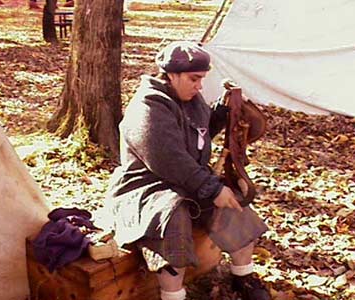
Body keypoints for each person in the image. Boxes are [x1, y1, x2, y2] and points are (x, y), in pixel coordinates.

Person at [106, 41, 271, 300]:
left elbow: (199, 135)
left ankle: (243, 275)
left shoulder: (189, 99)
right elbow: (170, 159)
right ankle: (173, 295)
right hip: (146, 186)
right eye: (194, 79)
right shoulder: (148, 107)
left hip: (185, 178)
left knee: (232, 203)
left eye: (202, 79)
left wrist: (223, 110)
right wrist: (211, 188)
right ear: (172, 75)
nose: (200, 85)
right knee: (172, 214)